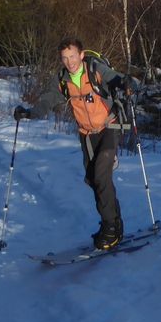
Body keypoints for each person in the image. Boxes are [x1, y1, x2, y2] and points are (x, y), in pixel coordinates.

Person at [14, 37, 131, 250]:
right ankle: (114, 222)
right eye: (65, 58)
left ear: (81, 55)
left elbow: (113, 77)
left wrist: (126, 83)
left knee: (101, 175)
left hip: (108, 127)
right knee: (93, 180)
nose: (70, 62)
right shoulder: (62, 79)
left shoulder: (95, 70)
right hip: (86, 134)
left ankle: (110, 227)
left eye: (73, 56)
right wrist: (30, 113)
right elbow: (48, 100)